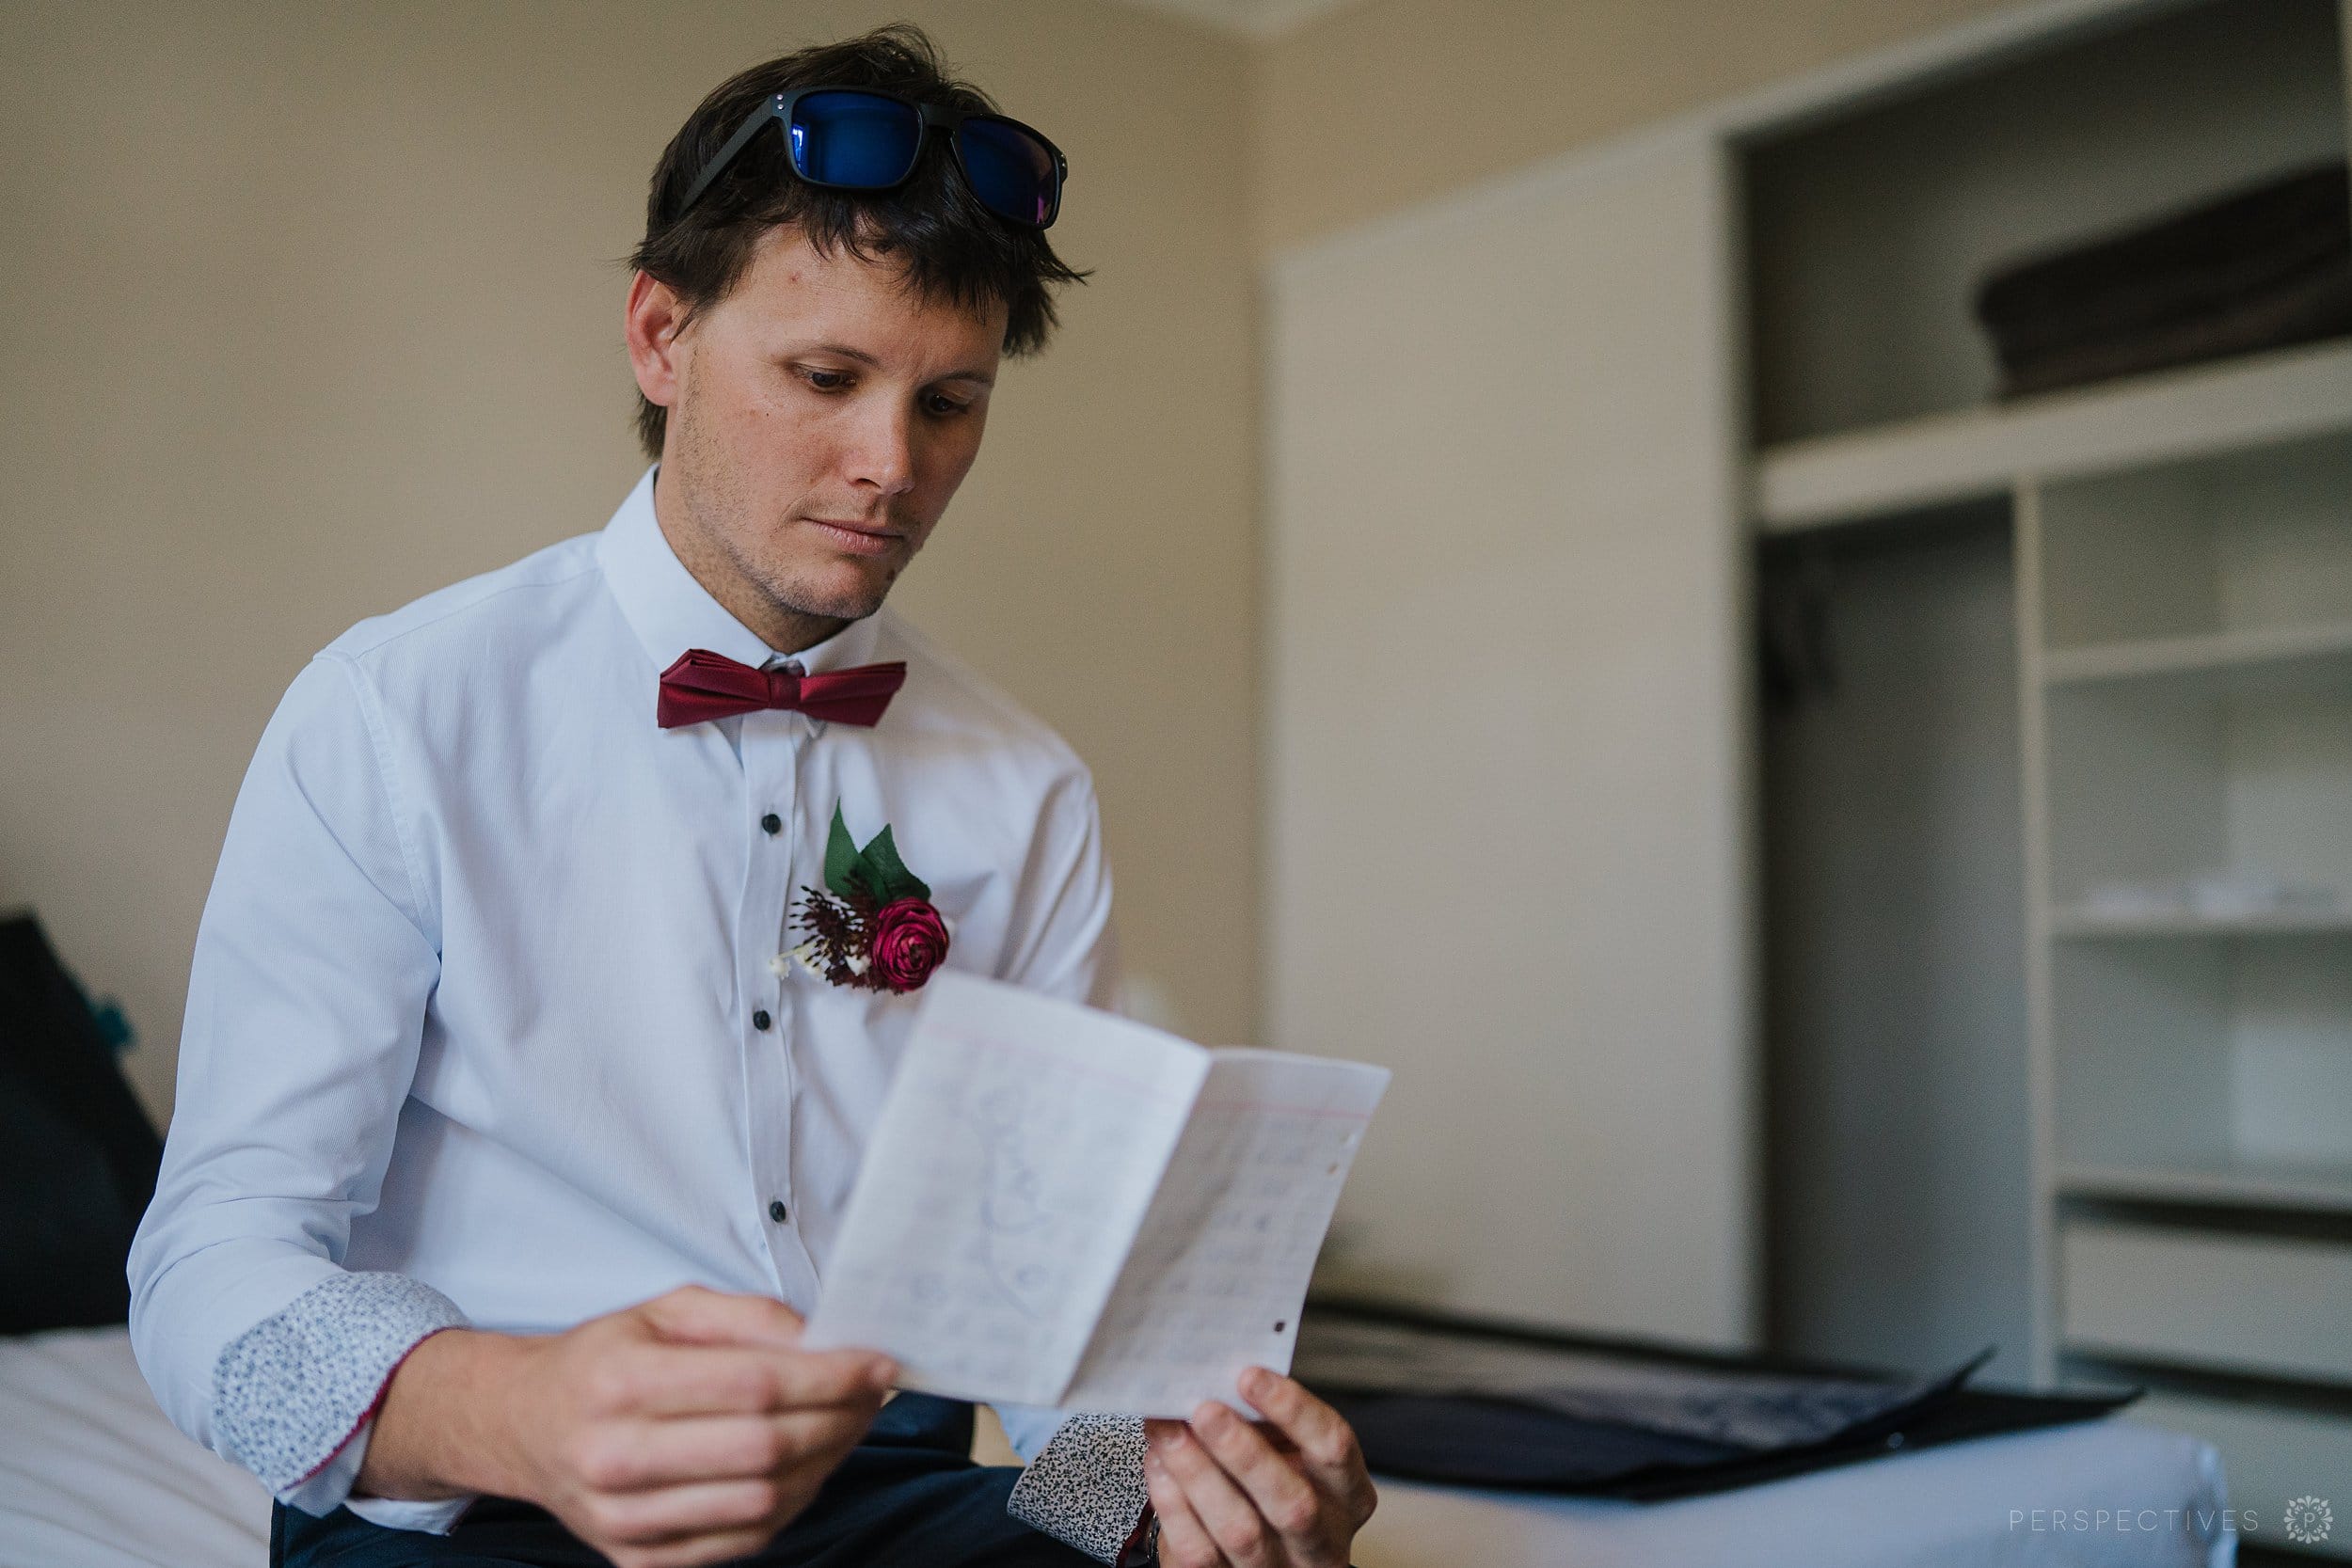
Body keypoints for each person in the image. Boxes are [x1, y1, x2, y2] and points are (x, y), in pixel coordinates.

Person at [126, 24, 1375, 1568]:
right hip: (475, 1502)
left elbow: (1043, 1324)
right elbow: (210, 1264)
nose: (890, 465)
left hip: (884, 1493)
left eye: (951, 402)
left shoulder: (1027, 786)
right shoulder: (395, 714)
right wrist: (520, 1409)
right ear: (661, 336)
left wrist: (1166, 1502)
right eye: (828, 375)